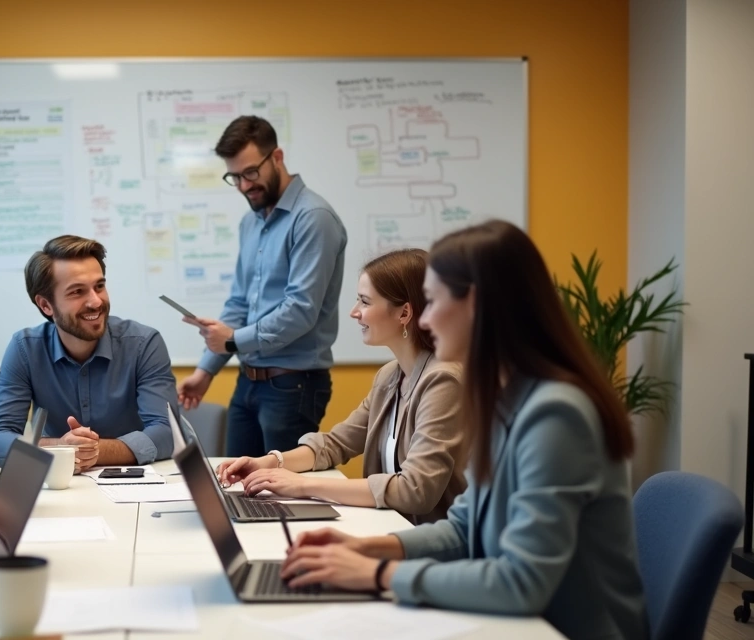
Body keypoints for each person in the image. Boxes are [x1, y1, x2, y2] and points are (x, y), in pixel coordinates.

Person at [281, 221, 647, 640]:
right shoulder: (503, 397)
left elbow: (522, 583)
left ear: (476, 306)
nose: (425, 318)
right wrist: (368, 548)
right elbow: (463, 527)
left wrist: (379, 573)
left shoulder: (557, 415)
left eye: (433, 302)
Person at [216, 249, 467, 524]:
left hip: (439, 542)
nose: (354, 312)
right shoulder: (390, 375)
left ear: (404, 312)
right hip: (394, 528)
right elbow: (336, 444)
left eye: (365, 301)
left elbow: (415, 490)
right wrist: (269, 462)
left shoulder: (443, 381)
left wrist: (303, 486)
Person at [176, 115, 348, 457]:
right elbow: (239, 303)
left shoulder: (313, 218)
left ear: (277, 157)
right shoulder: (251, 222)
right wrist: (206, 370)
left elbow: (300, 311)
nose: (244, 186)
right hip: (248, 381)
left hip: (293, 385)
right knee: (234, 479)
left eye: (251, 172)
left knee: (279, 486)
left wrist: (232, 339)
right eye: (235, 177)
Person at [0, 235, 177, 471]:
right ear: (46, 305)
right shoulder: (25, 349)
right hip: (59, 482)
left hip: (134, 480)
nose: (96, 302)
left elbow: (167, 433)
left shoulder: (144, 344)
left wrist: (92, 451)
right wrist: (60, 448)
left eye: (99, 286)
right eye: (77, 292)